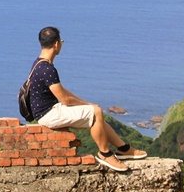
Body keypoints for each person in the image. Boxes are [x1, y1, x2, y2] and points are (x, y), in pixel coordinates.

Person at [27, 26, 147, 172]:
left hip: (48, 110)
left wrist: (87, 104)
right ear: (57, 44)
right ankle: (105, 154)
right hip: (48, 115)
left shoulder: (39, 63)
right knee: (95, 112)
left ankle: (123, 148)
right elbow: (65, 99)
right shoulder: (48, 69)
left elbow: (62, 91)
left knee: (97, 114)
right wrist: (88, 105)